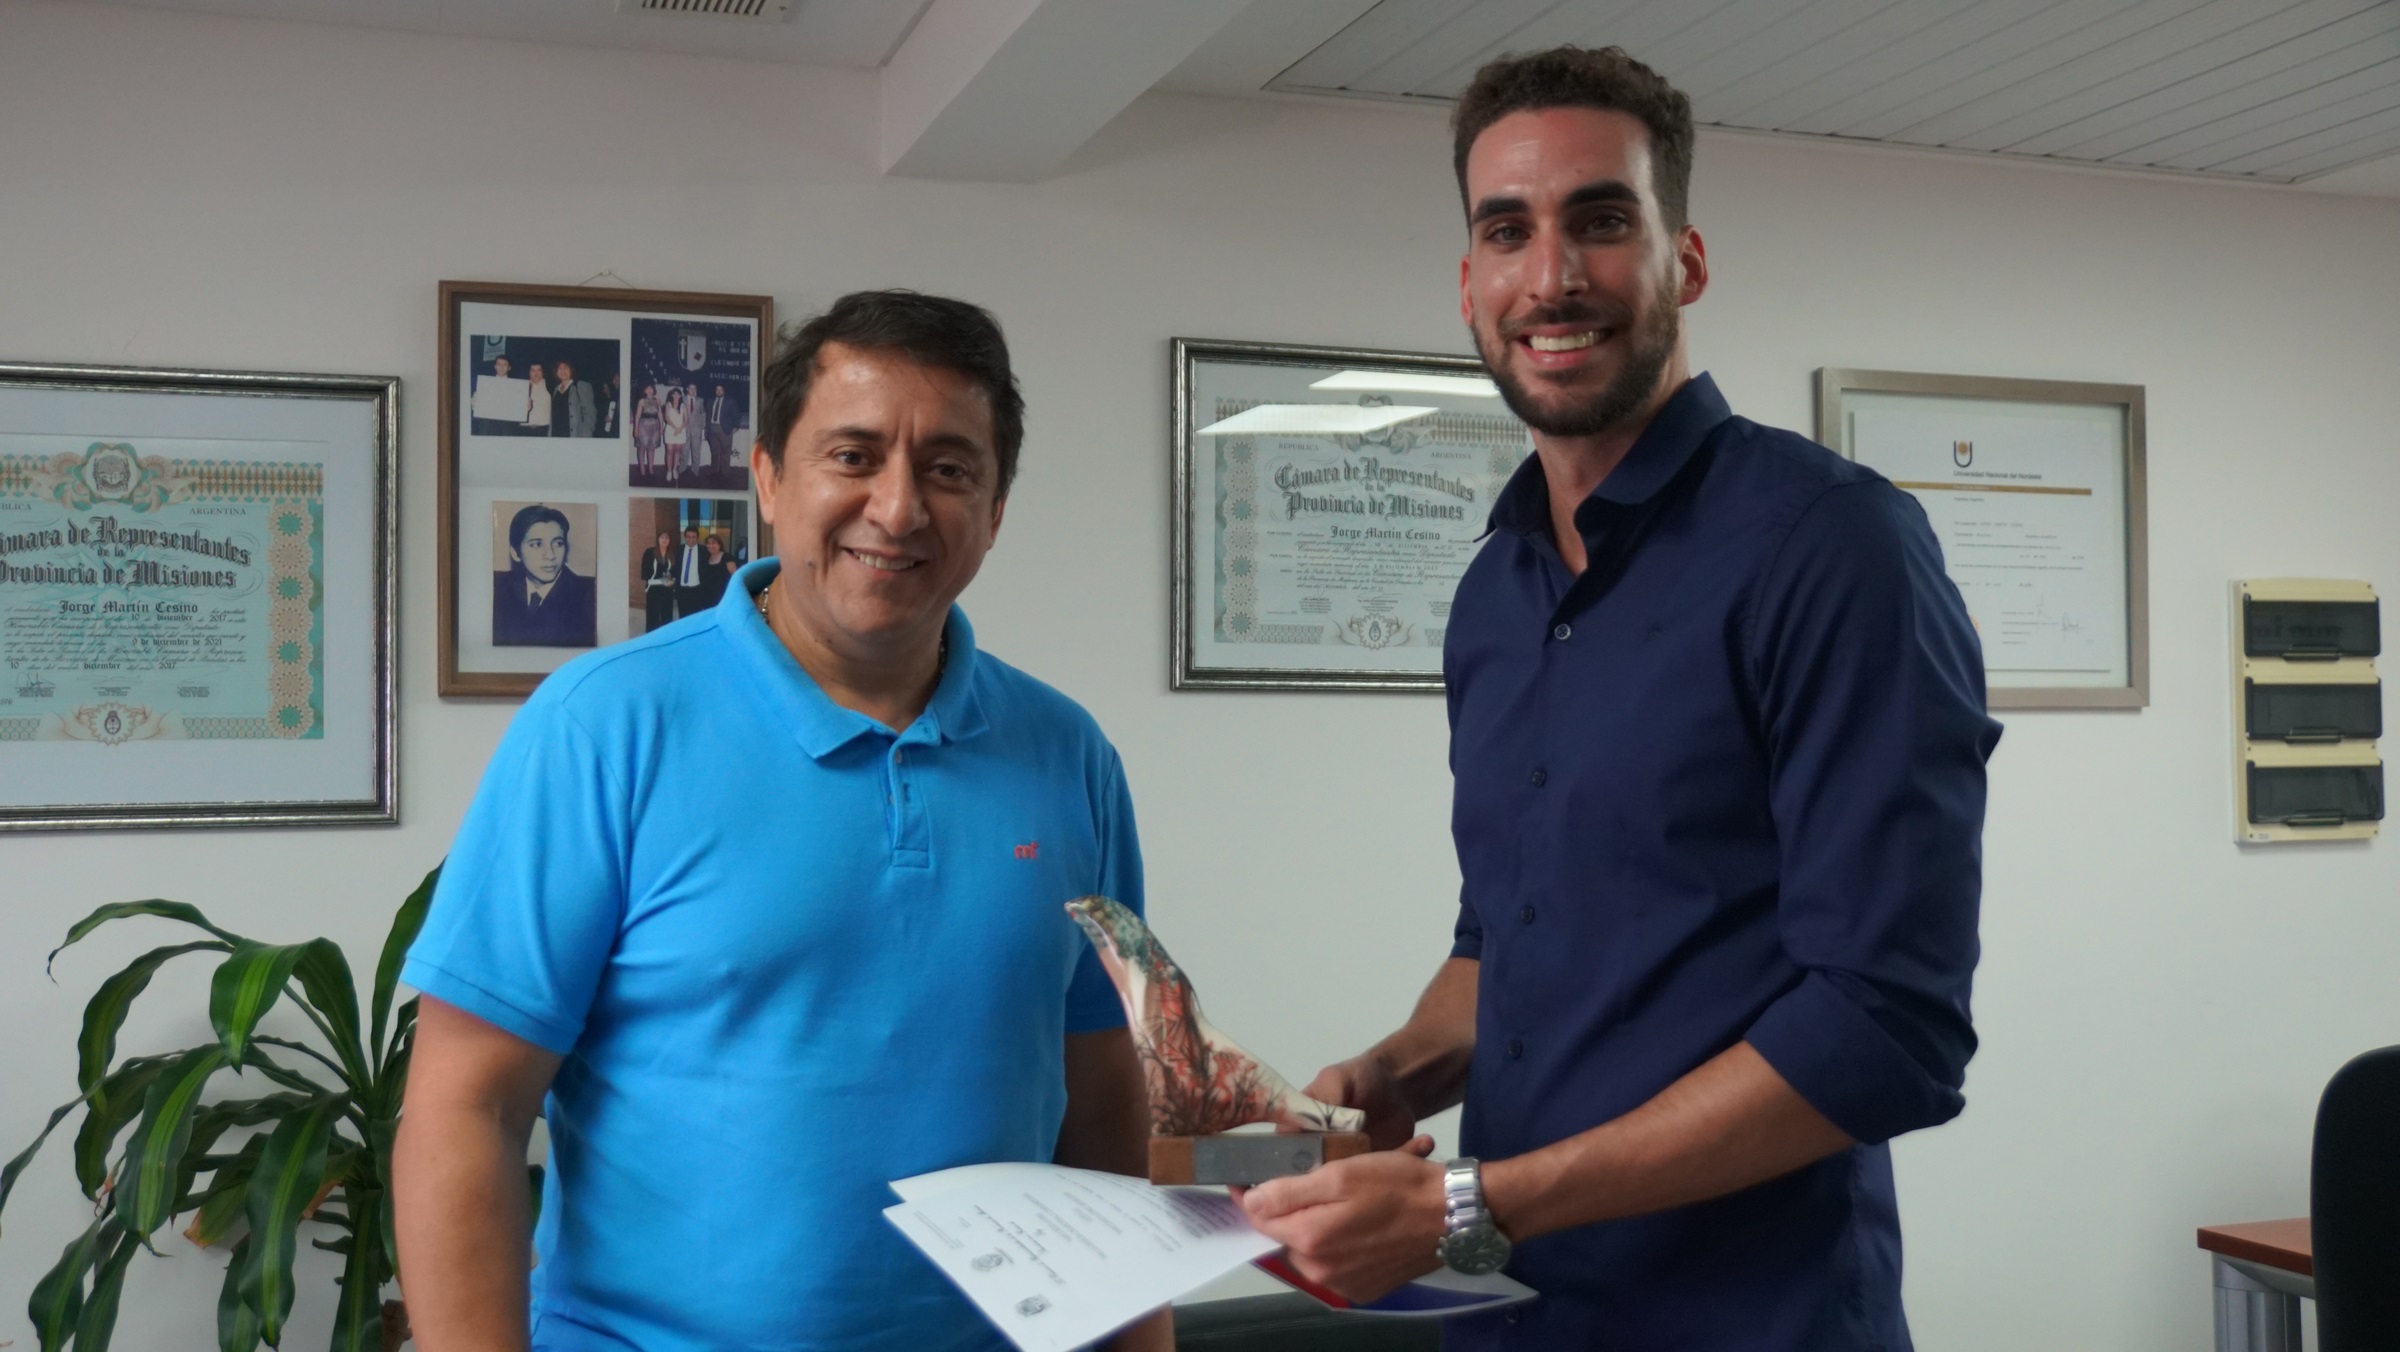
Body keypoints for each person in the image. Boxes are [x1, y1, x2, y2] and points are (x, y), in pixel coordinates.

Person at [1234, 46, 2001, 1351]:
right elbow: (1504, 940)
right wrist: (1391, 1075)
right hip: (1511, 1317)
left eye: (1600, 220)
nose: (1552, 277)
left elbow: (1887, 1030)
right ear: (1468, 283)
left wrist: (1476, 1203)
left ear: (1683, 261)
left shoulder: (1833, 548)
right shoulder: (1496, 590)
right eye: (1508, 231)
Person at [394, 289, 1167, 1352]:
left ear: (995, 511)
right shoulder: (602, 727)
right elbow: (466, 1109)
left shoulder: (1069, 756)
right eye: (853, 456)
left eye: (949, 469)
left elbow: (1105, 1104)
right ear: (767, 478)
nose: (897, 508)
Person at [489, 503, 595, 648]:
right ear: (515, 553)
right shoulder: (496, 587)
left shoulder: (589, 595)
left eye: (558, 543)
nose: (550, 555)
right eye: (537, 544)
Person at [471, 355, 522, 436]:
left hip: (508, 427)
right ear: (495, 366)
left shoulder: (516, 387)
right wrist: (475, 402)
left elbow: (520, 408)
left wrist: (525, 405)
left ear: (509, 368)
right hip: (489, 426)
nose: (501, 367)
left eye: (505, 365)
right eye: (499, 364)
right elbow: (474, 405)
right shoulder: (485, 384)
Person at [638, 529, 676, 633]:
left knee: (667, 616)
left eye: (667, 538)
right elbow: (645, 571)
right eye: (662, 537)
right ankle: (652, 637)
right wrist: (661, 579)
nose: (664, 540)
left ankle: (665, 637)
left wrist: (671, 580)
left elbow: (674, 571)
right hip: (653, 589)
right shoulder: (650, 552)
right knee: (653, 616)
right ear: (658, 539)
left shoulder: (671, 554)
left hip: (667, 589)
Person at [551, 359, 598, 439]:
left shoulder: (581, 386)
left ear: (571, 369)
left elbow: (590, 414)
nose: (563, 370)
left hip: (574, 436)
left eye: (566, 367)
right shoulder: (555, 390)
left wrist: (585, 436)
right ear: (556, 372)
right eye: (560, 368)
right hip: (556, 436)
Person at [671, 525, 706, 618]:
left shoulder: (704, 551)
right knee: (683, 617)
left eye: (694, 537)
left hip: (697, 590)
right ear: (685, 537)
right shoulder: (678, 549)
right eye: (688, 537)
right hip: (681, 590)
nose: (691, 539)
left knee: (695, 618)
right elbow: (675, 567)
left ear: (697, 537)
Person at [632, 382, 663, 481]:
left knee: (652, 448)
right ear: (644, 390)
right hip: (643, 426)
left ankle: (650, 467)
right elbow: (637, 416)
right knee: (642, 448)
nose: (649, 390)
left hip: (655, 426)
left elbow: (660, 414)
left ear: (653, 390)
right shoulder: (641, 401)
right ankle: (642, 468)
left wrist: (661, 427)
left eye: (651, 388)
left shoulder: (657, 400)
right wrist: (636, 429)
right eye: (647, 388)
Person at [661, 386, 688, 484]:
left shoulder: (683, 406)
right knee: (669, 451)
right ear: (672, 395)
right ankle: (669, 471)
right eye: (674, 394)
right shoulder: (668, 404)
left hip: (680, 430)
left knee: (677, 451)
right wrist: (675, 428)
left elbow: (686, 419)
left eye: (678, 394)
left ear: (680, 396)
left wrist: (680, 429)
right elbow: (667, 418)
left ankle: (674, 470)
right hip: (670, 430)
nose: (676, 396)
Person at [599, 372, 621, 439]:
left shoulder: (617, 397)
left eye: (606, 387)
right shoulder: (603, 401)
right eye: (604, 388)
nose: (605, 390)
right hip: (607, 431)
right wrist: (604, 418)